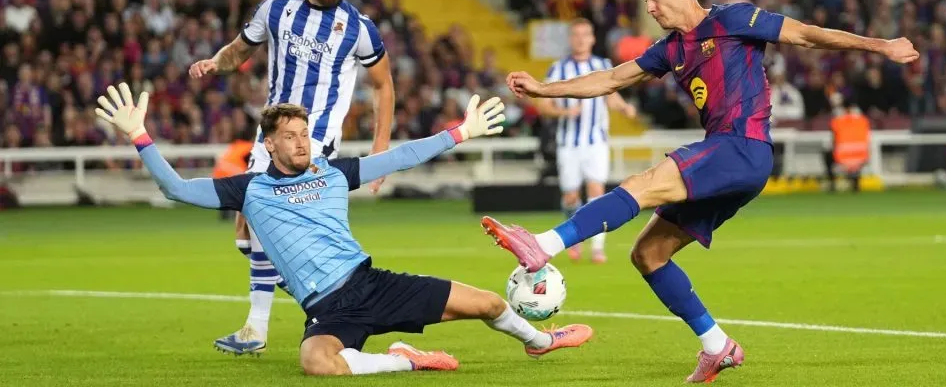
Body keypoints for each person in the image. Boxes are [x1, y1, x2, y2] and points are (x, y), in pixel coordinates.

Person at [482, 0, 919, 383]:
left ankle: (543, 243)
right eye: (645, 0)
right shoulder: (669, 49)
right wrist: (543, 89)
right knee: (648, 255)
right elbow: (611, 79)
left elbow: (806, 35)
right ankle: (717, 347)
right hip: (727, 156)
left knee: (644, 184)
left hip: (742, 146)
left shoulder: (735, 18)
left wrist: (882, 46)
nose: (649, 7)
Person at [94, 83, 592, 376]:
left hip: (371, 284)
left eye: (304, 133)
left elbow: (398, 157)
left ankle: (540, 341)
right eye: (289, 136)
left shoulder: (333, 172)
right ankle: (406, 360)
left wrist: (460, 132)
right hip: (326, 308)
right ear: (269, 145)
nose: (301, 142)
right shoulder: (245, 189)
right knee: (316, 362)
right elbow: (177, 189)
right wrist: (140, 136)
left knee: (487, 303)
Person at [188, 0, 396, 355]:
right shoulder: (277, 9)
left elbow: (384, 87)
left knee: (270, 233)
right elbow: (240, 50)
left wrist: (380, 150)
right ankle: (315, 303)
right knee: (247, 238)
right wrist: (216, 61)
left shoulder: (359, 28)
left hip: (312, 145)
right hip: (268, 139)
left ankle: (271, 323)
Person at [537, 18, 636, 263]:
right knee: (570, 196)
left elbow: (610, 97)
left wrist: (624, 108)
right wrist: (564, 113)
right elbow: (543, 105)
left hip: (596, 142)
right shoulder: (557, 69)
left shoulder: (602, 65)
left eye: (585, 34)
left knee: (596, 190)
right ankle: (574, 239)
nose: (581, 39)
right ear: (571, 39)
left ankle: (597, 248)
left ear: (592, 38)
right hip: (569, 142)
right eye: (576, 34)